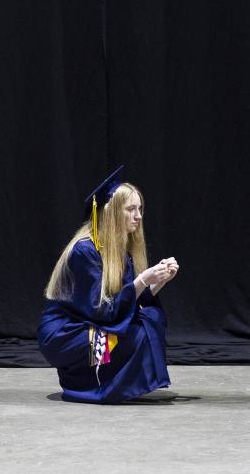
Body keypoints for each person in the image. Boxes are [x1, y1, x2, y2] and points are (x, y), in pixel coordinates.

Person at [38, 166, 179, 403]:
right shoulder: (85, 251)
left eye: (140, 209)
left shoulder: (118, 250)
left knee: (148, 319)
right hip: (67, 332)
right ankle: (91, 385)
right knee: (133, 334)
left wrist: (158, 281)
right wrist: (143, 279)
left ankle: (105, 383)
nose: (139, 216)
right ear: (113, 212)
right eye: (131, 209)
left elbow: (126, 303)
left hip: (93, 322)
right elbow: (102, 310)